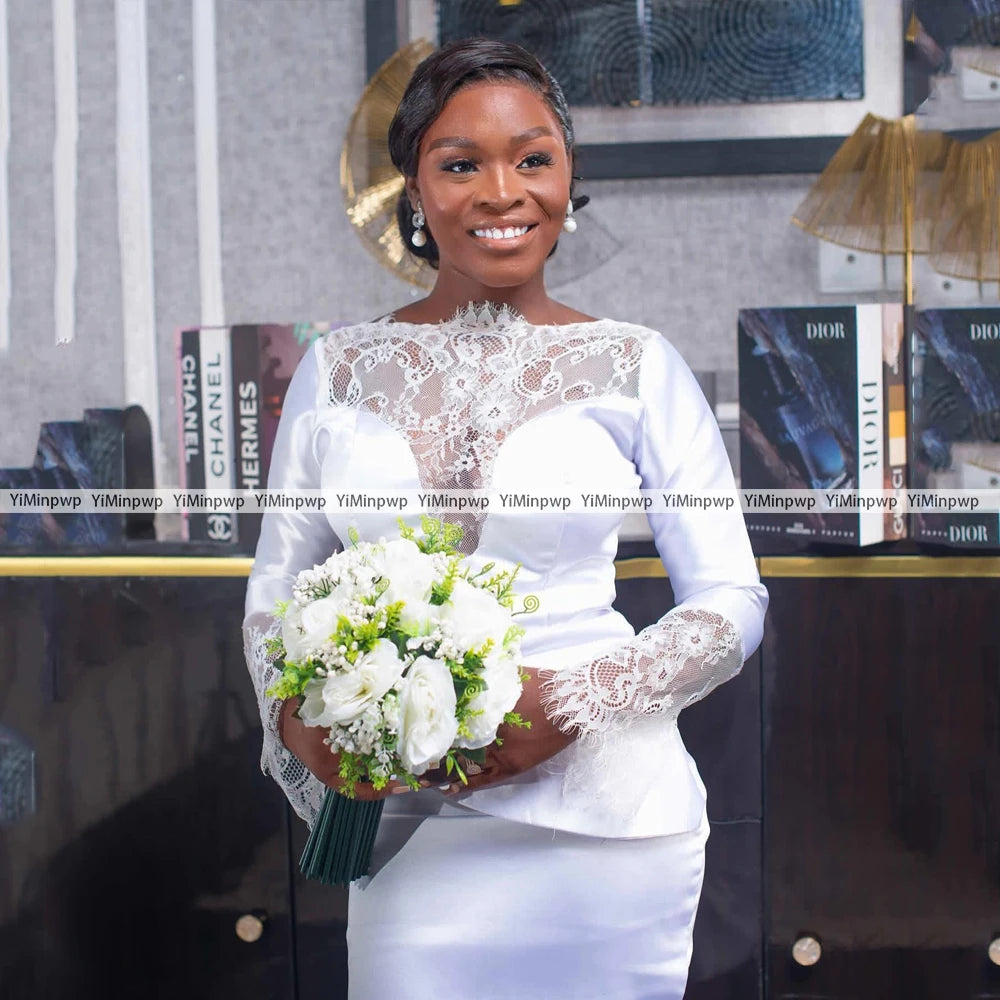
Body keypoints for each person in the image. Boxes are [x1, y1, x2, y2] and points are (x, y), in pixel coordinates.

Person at [243, 37, 767, 1000]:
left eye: (533, 158)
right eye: (459, 164)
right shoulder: (336, 371)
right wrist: (298, 716)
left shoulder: (637, 366)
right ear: (413, 188)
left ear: (569, 181)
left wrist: (576, 703)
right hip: (408, 826)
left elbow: (733, 599)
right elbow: (276, 593)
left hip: (612, 823)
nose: (502, 192)